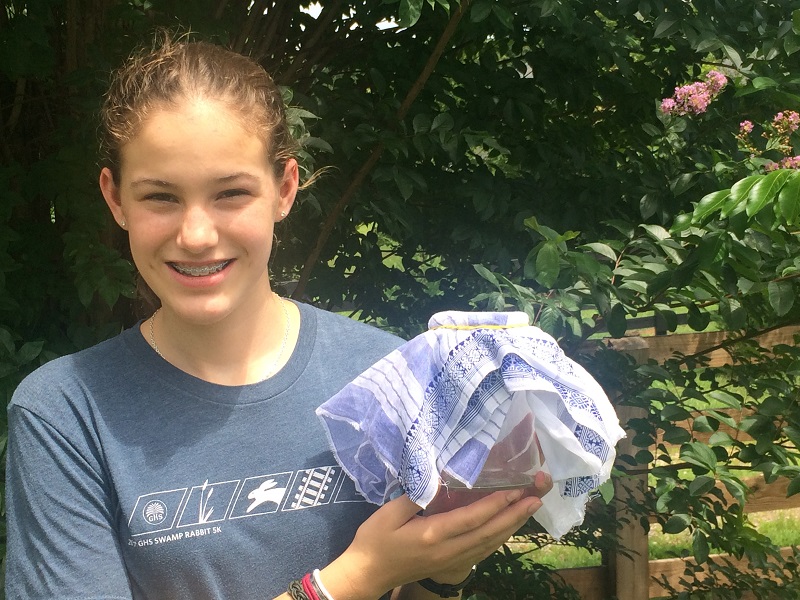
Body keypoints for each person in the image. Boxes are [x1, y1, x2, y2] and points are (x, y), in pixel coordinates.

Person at [5, 33, 550, 600]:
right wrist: (354, 578)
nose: (196, 235)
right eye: (160, 197)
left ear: (285, 189)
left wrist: (447, 564)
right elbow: (368, 576)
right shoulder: (67, 413)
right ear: (115, 199)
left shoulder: (391, 374)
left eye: (231, 193)